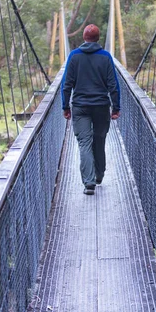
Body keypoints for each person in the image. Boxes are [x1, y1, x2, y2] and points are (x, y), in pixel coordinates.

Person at [61, 24, 121, 195]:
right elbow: (113, 85)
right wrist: (116, 107)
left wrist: (65, 106)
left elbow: (66, 85)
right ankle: (99, 174)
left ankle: (89, 183)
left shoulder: (74, 56)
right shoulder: (106, 57)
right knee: (99, 139)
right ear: (98, 38)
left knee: (84, 143)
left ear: (84, 37)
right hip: (102, 106)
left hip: (80, 107)